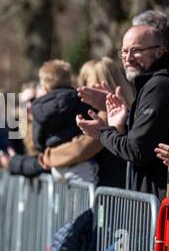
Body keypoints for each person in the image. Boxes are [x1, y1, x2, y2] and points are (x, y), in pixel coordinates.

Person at [76, 24, 169, 201]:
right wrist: (121, 125)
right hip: (149, 200)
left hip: (159, 203)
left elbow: (136, 151)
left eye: (136, 50)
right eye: (124, 51)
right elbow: (141, 144)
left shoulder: (158, 86)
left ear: (160, 51)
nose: (128, 58)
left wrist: (103, 131)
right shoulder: (150, 84)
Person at [39, 57, 135, 188]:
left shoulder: (108, 115)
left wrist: (48, 157)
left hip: (110, 188)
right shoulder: (127, 109)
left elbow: (81, 148)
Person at [31, 59, 97, 184]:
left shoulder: (39, 107)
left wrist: (44, 150)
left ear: (44, 85)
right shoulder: (80, 100)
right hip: (80, 163)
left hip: (55, 164)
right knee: (85, 201)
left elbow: (37, 140)